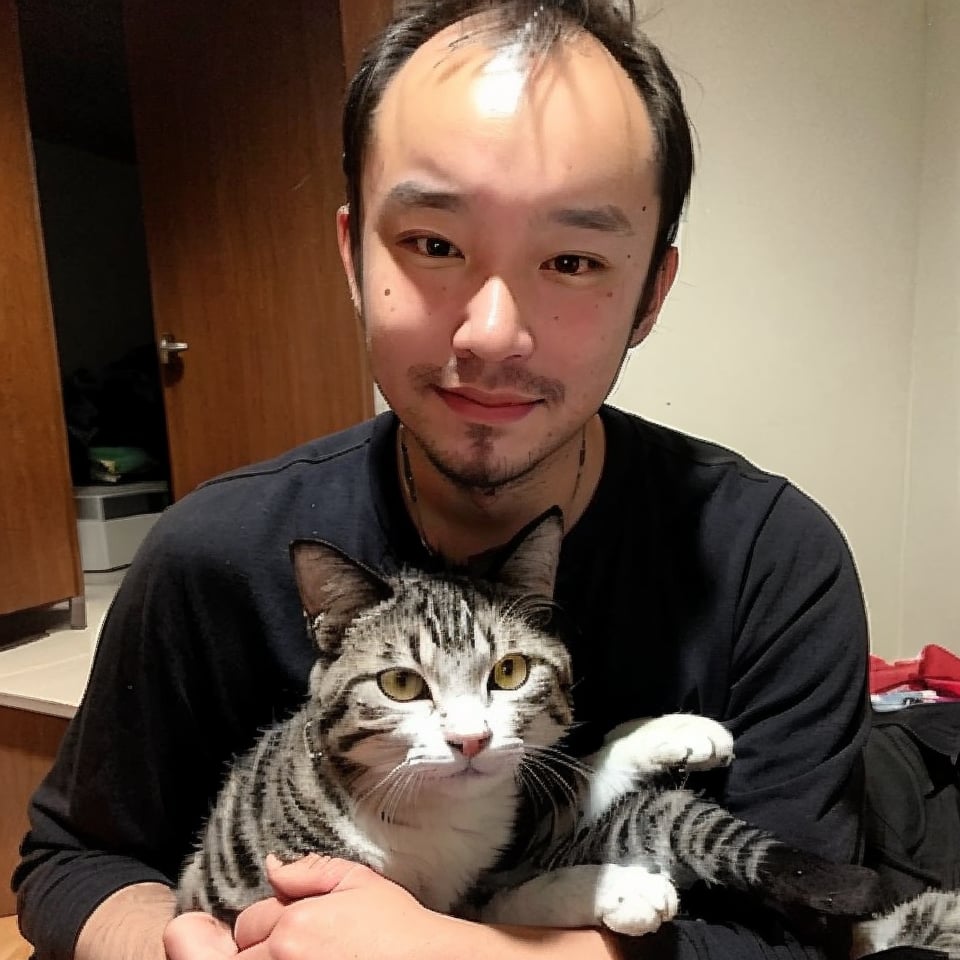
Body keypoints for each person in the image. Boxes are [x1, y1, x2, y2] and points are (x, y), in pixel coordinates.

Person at [13, 2, 872, 958]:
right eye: (433, 245)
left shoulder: (774, 561)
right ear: (353, 255)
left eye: (574, 259)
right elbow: (71, 863)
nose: (492, 333)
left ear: (650, 294)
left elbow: (806, 933)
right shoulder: (206, 552)